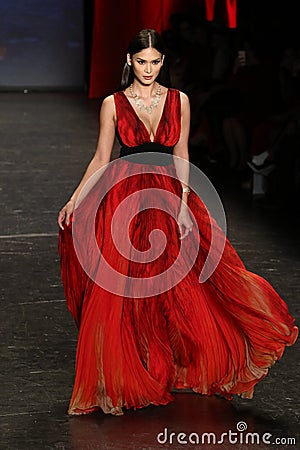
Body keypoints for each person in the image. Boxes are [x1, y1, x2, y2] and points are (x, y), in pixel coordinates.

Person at [58, 29, 298, 416]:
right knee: (124, 291)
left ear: (163, 62)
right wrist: (75, 198)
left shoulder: (180, 100)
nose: (148, 69)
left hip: (171, 195)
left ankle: (177, 367)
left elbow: (182, 153)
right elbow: (102, 158)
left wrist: (185, 202)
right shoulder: (113, 104)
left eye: (155, 62)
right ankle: (130, 377)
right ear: (128, 61)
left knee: (191, 285)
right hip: (125, 197)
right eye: (141, 62)